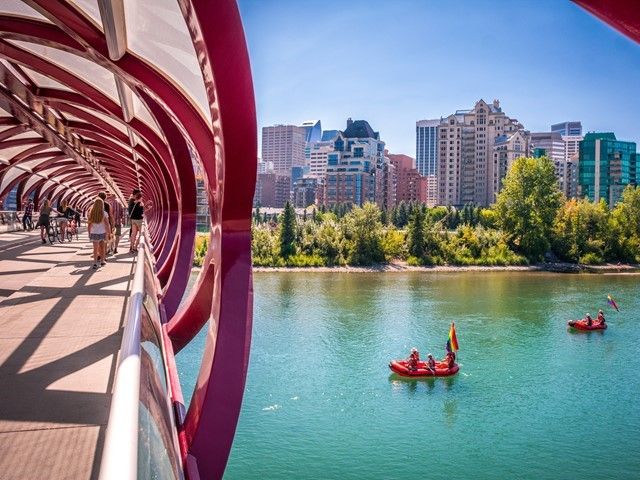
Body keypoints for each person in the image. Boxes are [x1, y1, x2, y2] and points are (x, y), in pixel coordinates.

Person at [87, 198, 110, 269]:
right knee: (102, 248)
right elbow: (107, 224)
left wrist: (89, 232)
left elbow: (89, 224)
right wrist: (109, 232)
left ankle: (95, 263)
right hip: (102, 232)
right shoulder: (104, 213)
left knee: (95, 248)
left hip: (94, 233)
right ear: (102, 205)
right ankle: (102, 261)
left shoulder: (91, 213)